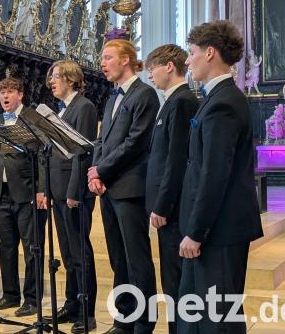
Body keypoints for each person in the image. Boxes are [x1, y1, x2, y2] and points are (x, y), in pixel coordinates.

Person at [178, 21, 263, 333]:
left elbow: (214, 174)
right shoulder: (218, 98)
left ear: (210, 53)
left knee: (217, 320)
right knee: (198, 314)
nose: (187, 61)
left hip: (219, 230)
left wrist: (196, 231)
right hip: (214, 227)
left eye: (191, 53)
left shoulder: (224, 102)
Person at [88, 39, 159, 334]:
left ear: (127, 59)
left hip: (130, 188)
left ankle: (145, 321)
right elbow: (102, 140)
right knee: (119, 257)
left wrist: (101, 169)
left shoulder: (146, 95)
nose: (102, 63)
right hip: (108, 187)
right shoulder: (111, 96)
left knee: (137, 258)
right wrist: (95, 173)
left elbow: (135, 142)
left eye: (107, 58)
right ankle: (124, 318)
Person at [144, 45, 199, 334]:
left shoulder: (180, 101)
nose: (149, 74)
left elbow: (176, 159)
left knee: (176, 282)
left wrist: (162, 205)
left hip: (174, 209)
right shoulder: (170, 101)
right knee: (171, 280)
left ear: (168, 66)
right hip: (167, 206)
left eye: (152, 67)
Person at [45, 61, 99, 333]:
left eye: (55, 77)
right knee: (67, 252)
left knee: (80, 251)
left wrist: (74, 192)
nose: (51, 82)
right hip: (57, 188)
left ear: (71, 79)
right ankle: (71, 302)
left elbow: (83, 152)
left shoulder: (84, 107)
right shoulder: (60, 110)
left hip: (73, 190)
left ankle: (87, 312)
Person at [0, 77, 46, 317]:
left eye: (10, 92)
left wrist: (42, 189)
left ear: (20, 94)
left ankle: (32, 299)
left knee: (32, 248)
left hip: (26, 191)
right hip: (1, 192)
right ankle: (10, 295)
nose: (5, 97)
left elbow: (43, 155)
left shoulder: (32, 119)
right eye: (2, 93)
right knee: (5, 246)